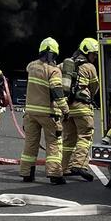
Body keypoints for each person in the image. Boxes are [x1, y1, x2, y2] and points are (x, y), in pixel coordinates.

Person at [18, 37, 69, 184]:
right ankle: (54, 175)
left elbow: (32, 67)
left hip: (30, 114)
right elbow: (57, 92)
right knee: (53, 144)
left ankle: (26, 174)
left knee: (30, 143)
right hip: (49, 114)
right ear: (54, 54)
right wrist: (65, 110)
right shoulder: (54, 71)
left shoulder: (31, 67)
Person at [60, 37, 100, 181]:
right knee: (85, 135)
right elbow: (95, 86)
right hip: (82, 108)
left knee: (69, 139)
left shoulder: (65, 65)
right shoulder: (89, 67)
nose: (94, 57)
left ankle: (64, 168)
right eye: (93, 54)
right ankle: (80, 165)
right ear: (86, 51)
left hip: (67, 108)